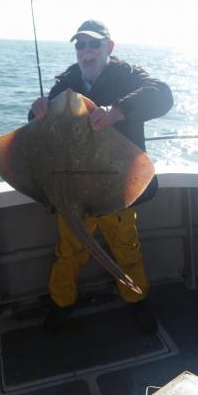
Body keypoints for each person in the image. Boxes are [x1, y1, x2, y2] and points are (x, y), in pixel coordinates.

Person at [28, 20, 173, 333]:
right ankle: (61, 303)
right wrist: (37, 111)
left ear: (108, 47)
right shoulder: (66, 83)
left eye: (93, 44)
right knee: (68, 252)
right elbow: (37, 127)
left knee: (126, 249)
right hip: (74, 187)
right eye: (80, 45)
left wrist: (117, 111)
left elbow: (161, 95)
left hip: (115, 186)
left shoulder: (127, 76)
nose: (86, 50)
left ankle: (137, 300)